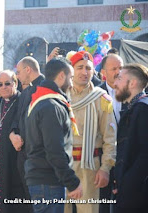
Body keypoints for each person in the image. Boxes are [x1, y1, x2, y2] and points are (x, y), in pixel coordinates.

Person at [25, 58, 82, 213]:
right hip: (48, 181)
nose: (71, 83)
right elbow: (54, 150)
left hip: (43, 179)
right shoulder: (51, 106)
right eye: (70, 78)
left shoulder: (40, 101)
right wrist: (72, 182)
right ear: (62, 76)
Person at [65, 51, 116, 213]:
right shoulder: (60, 97)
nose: (84, 72)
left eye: (88, 68)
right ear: (71, 70)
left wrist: (105, 168)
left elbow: (110, 138)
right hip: (62, 165)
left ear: (94, 71)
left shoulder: (101, 98)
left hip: (89, 167)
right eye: (79, 67)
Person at [0, 70, 30, 213]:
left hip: (15, 161)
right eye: (0, 84)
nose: (3, 87)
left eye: (7, 83)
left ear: (15, 83)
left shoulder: (22, 102)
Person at [9, 56, 45, 208]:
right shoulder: (25, 91)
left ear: (28, 69)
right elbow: (17, 119)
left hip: (41, 159)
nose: (17, 76)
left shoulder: (47, 88)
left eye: (18, 72)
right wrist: (13, 135)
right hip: (24, 158)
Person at [113, 63, 148, 213]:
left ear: (132, 83)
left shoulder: (142, 109)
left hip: (136, 194)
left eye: (119, 78)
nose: (115, 84)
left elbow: (145, 154)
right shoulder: (135, 108)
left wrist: (127, 183)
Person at [98, 54, 124, 213]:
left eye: (121, 68)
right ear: (103, 72)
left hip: (126, 159)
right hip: (103, 161)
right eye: (114, 68)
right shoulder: (96, 93)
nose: (118, 72)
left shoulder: (133, 91)